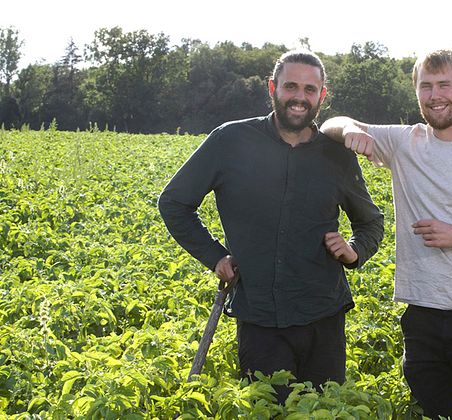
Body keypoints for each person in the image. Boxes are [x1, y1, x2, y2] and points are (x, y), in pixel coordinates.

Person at [320, 48, 452, 419]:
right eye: (426, 86)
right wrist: (354, 130)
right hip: (423, 315)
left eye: (444, 85)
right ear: (416, 91)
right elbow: (330, 124)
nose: (435, 95)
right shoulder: (405, 142)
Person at [158, 50, 384, 403]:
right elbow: (174, 203)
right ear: (272, 88)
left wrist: (355, 250)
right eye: (291, 86)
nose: (300, 97)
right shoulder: (230, 141)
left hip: (323, 317)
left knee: (324, 410)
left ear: (322, 96)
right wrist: (214, 256)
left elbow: (370, 222)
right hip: (260, 317)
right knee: (268, 410)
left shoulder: (337, 154)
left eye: (310, 90)